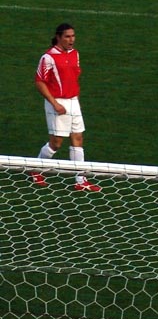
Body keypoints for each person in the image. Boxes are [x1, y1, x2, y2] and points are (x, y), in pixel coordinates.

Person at [31, 23, 101, 192]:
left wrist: (75, 100)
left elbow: (74, 78)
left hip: (73, 102)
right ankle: (35, 169)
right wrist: (55, 103)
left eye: (73, 36)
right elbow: (39, 82)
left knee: (78, 138)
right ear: (58, 37)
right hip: (57, 102)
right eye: (67, 36)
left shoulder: (75, 54)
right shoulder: (48, 57)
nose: (71, 40)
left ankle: (80, 180)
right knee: (56, 143)